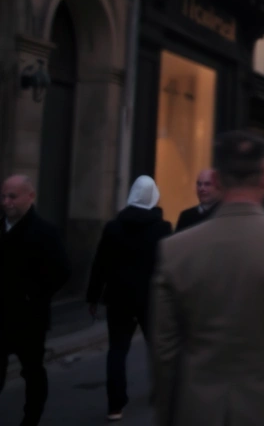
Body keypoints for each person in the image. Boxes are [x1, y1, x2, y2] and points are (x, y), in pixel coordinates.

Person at [151, 131, 264, 426]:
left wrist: (168, 409)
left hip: (199, 409)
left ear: (218, 180)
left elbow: (164, 350)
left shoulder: (175, 250)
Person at [86, 176, 172, 420]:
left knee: (117, 350)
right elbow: (167, 267)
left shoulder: (113, 227)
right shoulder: (162, 229)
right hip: (150, 299)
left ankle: (115, 404)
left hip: (119, 299)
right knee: (157, 347)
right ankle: (162, 392)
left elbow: (99, 264)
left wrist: (93, 297)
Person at [0, 175, 70, 426]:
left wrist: (34, 296)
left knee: (32, 371)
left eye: (13, 196)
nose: (7, 202)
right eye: (4, 196)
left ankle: (31, 419)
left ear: (30, 197)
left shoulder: (44, 232)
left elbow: (62, 271)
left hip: (29, 319)